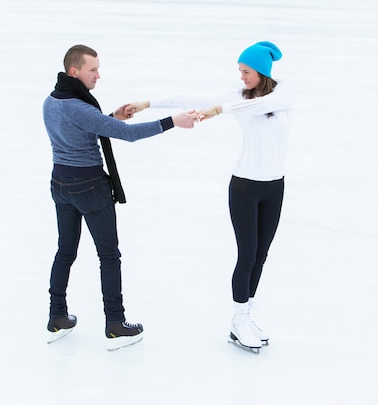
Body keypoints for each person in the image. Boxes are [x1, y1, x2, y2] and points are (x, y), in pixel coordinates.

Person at [130, 41, 293, 351]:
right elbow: (190, 98)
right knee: (247, 255)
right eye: (239, 71)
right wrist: (146, 103)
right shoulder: (237, 98)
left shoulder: (284, 94)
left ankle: (245, 316)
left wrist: (219, 111)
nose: (241, 77)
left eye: (246, 72)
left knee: (262, 255)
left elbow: (261, 105)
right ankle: (239, 317)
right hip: (245, 187)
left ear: (262, 72)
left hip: (275, 186)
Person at [43, 44, 197, 350]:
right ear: (75, 72)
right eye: (93, 70)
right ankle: (115, 324)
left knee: (65, 252)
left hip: (60, 184)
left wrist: (113, 116)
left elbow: (86, 126)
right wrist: (171, 122)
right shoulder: (79, 106)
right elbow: (127, 135)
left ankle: (56, 316)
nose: (98, 75)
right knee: (109, 256)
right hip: (89, 187)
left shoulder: (52, 101)